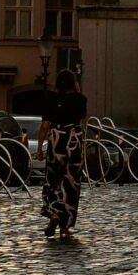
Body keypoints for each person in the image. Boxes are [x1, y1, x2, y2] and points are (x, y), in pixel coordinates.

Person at [40, 70, 87, 239]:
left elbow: (45, 124)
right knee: (71, 184)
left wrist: (39, 147)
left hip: (56, 141)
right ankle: (65, 227)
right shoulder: (81, 100)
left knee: (53, 180)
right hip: (73, 142)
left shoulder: (51, 99)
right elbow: (82, 118)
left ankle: (54, 212)